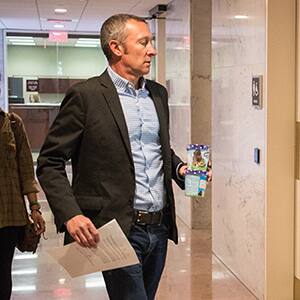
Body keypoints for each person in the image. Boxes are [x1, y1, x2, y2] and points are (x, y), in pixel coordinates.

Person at [37, 14, 188, 300]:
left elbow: (158, 148)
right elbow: (50, 162)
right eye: (144, 42)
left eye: (151, 42)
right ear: (117, 48)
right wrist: (71, 215)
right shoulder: (86, 96)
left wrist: (179, 168)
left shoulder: (158, 94)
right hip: (117, 228)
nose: (152, 50)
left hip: (159, 227)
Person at [0, 109, 45, 300]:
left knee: (2, 273)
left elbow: (26, 170)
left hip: (9, 215)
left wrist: (35, 208)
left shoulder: (12, 123)